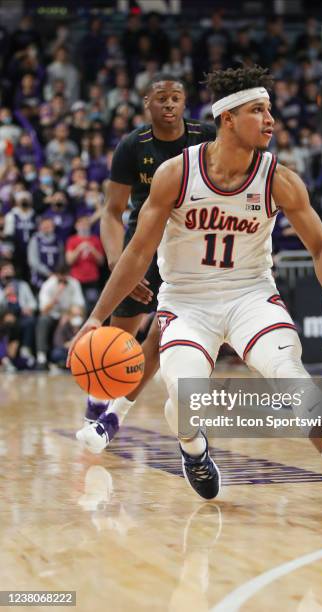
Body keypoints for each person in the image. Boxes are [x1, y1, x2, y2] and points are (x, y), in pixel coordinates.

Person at [68, 65, 322, 519]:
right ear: (228, 118)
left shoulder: (278, 178)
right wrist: (97, 317)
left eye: (270, 110)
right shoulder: (177, 174)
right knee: (185, 392)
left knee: (290, 374)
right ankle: (193, 449)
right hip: (187, 302)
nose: (270, 119)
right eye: (258, 110)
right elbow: (137, 254)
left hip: (251, 294)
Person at [75, 74, 216, 437]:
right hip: (146, 242)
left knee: (163, 336)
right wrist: (118, 262)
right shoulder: (131, 146)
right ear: (147, 105)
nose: (169, 104)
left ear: (185, 104)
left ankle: (120, 414)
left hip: (191, 245)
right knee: (119, 337)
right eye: (161, 98)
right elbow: (112, 211)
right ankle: (99, 393)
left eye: (175, 98)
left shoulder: (206, 137)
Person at [36, 264, 85, 370]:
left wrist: (69, 314)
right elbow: (43, 310)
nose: (63, 279)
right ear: (56, 275)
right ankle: (42, 357)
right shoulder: (48, 284)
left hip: (68, 315)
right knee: (43, 320)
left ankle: (79, 356)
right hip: (52, 315)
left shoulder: (74, 283)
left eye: (65, 276)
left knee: (80, 320)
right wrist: (56, 295)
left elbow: (79, 306)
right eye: (60, 277)